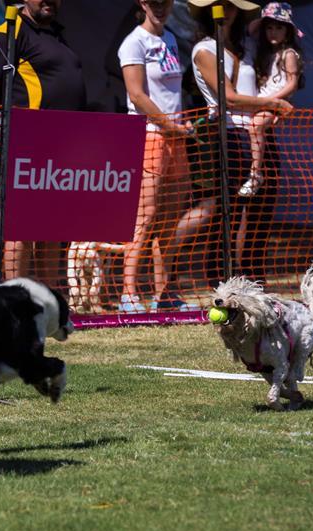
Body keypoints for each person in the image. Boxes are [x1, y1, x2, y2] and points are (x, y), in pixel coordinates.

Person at [0, 0, 86, 288]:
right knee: (20, 229)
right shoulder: (9, 31)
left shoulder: (57, 32)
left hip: (63, 145)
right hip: (29, 143)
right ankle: (17, 298)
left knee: (51, 227)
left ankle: (49, 299)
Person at [185, 0, 289, 279]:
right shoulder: (205, 49)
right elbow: (228, 97)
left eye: (232, 4)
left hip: (259, 134)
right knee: (231, 212)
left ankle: (255, 275)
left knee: (262, 207)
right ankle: (222, 275)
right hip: (229, 135)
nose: (226, 9)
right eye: (220, 5)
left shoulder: (248, 45)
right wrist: (273, 104)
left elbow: (269, 31)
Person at [117, 0, 194, 313]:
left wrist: (181, 121)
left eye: (165, 2)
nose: (160, 7)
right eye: (154, 2)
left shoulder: (171, 39)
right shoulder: (133, 43)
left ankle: (165, 293)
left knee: (170, 221)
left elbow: (172, 94)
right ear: (143, 3)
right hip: (150, 137)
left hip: (175, 138)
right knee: (144, 219)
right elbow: (137, 95)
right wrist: (167, 124)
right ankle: (128, 293)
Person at [240, 1, 303, 198]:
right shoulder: (266, 54)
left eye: (278, 27)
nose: (273, 32)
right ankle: (254, 168)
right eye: (269, 27)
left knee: (255, 126)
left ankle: (255, 174)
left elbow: (292, 84)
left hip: (274, 101)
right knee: (252, 128)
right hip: (264, 100)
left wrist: (272, 100)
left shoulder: (289, 54)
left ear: (288, 31)